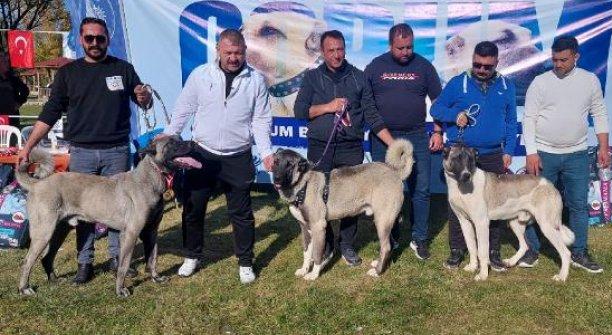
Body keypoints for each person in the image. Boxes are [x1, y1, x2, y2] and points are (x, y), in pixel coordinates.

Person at [18, 17, 152, 284]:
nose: (94, 43)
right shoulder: (69, 73)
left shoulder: (123, 69)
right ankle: (84, 263)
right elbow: (50, 112)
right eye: (89, 38)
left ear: (107, 40)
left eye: (99, 38)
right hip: (82, 153)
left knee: (120, 209)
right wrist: (29, 146)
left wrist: (144, 98)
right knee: (83, 212)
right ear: (81, 40)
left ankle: (118, 259)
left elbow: (144, 103)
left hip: (116, 151)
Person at [163, 29, 273, 284]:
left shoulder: (255, 80)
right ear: (218, 51)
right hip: (202, 154)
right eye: (228, 53)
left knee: (242, 213)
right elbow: (184, 108)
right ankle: (192, 255)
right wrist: (169, 135)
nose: (233, 58)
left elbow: (260, 120)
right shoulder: (201, 75)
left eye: (238, 53)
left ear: (245, 52)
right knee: (193, 209)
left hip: (238, 156)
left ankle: (245, 261)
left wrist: (266, 152)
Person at [294, 30, 394, 267]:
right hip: (321, 148)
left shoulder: (359, 77)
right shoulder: (311, 78)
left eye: (340, 49)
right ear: (322, 52)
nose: (337, 55)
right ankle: (326, 245)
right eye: (331, 51)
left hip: (351, 147)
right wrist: (328, 107)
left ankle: (347, 244)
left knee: (353, 199)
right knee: (317, 200)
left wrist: (392, 144)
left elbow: (370, 113)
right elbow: (300, 112)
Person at [521, 35, 610, 273]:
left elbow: (599, 114)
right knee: (532, 205)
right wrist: (531, 153)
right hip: (543, 154)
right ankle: (532, 249)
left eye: (563, 60)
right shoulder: (540, 82)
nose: (557, 64)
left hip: (577, 154)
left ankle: (579, 252)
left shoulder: (590, 81)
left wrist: (603, 147)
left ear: (576, 57)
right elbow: (529, 119)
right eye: (554, 60)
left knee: (578, 205)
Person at [430, 41, 517, 272]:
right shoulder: (459, 83)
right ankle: (457, 250)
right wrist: (454, 114)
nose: (481, 70)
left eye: (487, 67)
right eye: (477, 64)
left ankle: (493, 252)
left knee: (494, 205)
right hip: (462, 153)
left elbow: (510, 122)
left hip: (492, 154)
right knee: (458, 204)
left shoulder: (507, 86)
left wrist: (508, 150)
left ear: (496, 63)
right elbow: (435, 110)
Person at [364, 23, 443, 260]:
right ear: (390, 45)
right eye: (400, 48)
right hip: (383, 138)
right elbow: (368, 108)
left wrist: (438, 131)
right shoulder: (375, 67)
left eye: (409, 47)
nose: (406, 52)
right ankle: (392, 235)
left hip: (417, 135)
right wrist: (390, 142)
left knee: (421, 189)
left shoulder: (424, 66)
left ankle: (419, 238)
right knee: (386, 192)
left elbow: (438, 101)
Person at [0, 52, 29, 130]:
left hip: (12, 117)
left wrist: (19, 103)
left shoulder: (12, 78)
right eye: (5, 62)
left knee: (12, 140)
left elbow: (25, 90)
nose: (7, 64)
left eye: (7, 62)